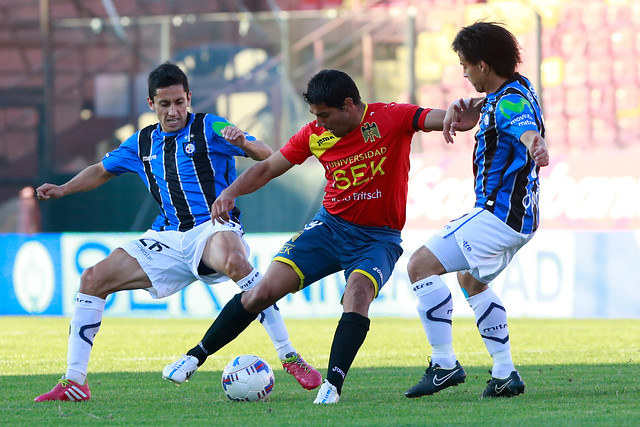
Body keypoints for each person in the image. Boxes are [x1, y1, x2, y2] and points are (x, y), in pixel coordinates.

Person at [34, 62, 321, 402]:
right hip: (168, 237)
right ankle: (75, 382)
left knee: (235, 261)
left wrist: (241, 140)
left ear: (189, 98)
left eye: (180, 102)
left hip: (213, 227)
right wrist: (64, 189)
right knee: (93, 278)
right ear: (151, 104)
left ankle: (289, 355)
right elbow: (100, 170)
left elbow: (267, 155)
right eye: (165, 104)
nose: (174, 111)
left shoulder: (210, 125)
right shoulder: (141, 142)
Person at [163, 69, 447, 404]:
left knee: (357, 294)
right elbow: (269, 167)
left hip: (378, 238)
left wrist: (458, 116)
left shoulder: (391, 116)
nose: (320, 124)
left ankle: (332, 386)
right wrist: (230, 192)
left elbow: (433, 118)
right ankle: (195, 356)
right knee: (261, 292)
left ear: (348, 105)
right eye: (316, 117)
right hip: (328, 229)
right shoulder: (314, 135)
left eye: (325, 115)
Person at [404, 21, 549, 399]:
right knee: (471, 282)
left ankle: (443, 364)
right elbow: (505, 107)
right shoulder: (518, 89)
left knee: (420, 265)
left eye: (466, 66)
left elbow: (524, 127)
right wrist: (472, 107)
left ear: (483, 65)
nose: (464, 74)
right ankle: (504, 373)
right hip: (521, 219)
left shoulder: (510, 103)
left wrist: (536, 145)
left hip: (496, 214)